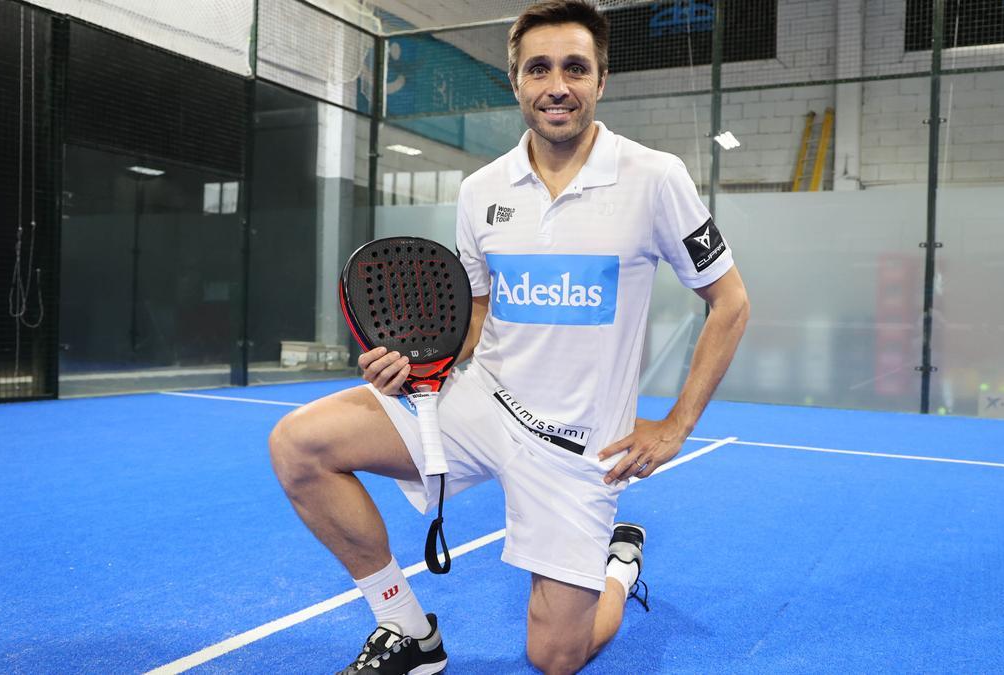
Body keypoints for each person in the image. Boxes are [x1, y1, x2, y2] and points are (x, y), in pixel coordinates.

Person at [267, 1, 750, 673]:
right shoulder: (481, 189)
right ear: (517, 81)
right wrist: (410, 367)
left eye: (575, 68)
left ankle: (617, 562)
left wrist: (676, 425)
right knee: (299, 443)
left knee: (556, 656)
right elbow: (475, 318)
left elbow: (729, 301)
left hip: (578, 447)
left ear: (601, 81)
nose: (558, 85)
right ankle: (408, 630)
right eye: (539, 68)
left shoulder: (655, 177)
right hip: (480, 404)